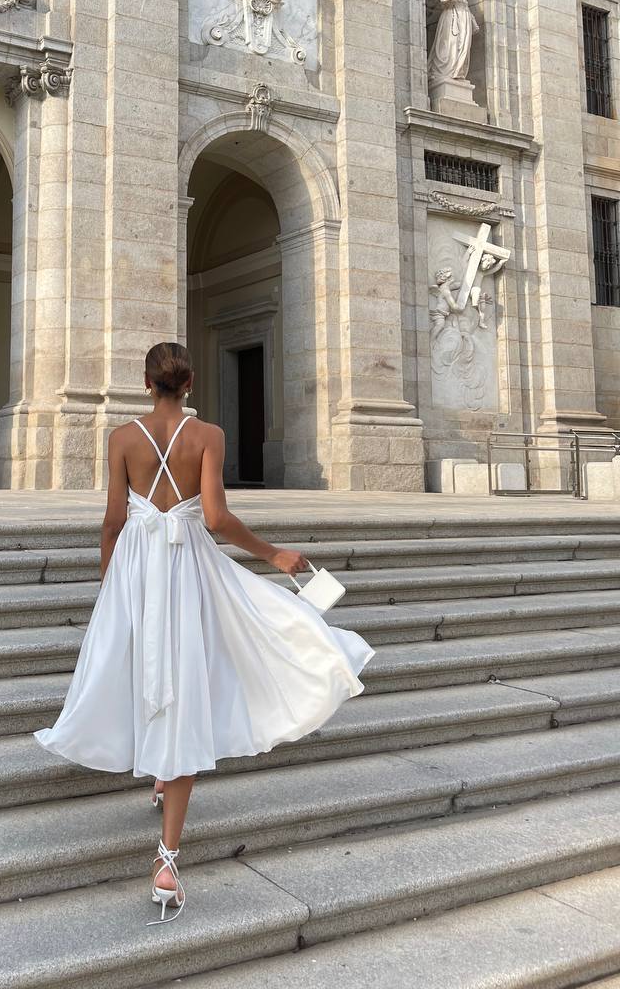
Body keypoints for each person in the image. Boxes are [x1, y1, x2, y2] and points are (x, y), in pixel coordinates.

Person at [34, 342, 374, 924]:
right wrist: (273, 554)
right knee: (187, 673)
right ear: (189, 384)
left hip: (136, 570)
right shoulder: (208, 436)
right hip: (189, 568)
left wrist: (108, 582)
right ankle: (167, 859)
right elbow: (214, 519)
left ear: (147, 384)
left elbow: (114, 519)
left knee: (146, 663)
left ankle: (164, 779)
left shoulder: (121, 439)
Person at [427, 0, 479, 85]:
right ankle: (444, 73)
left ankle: (458, 72)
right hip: (451, 18)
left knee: (463, 47)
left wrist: (473, 22)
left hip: (464, 19)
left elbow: (465, 5)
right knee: (450, 45)